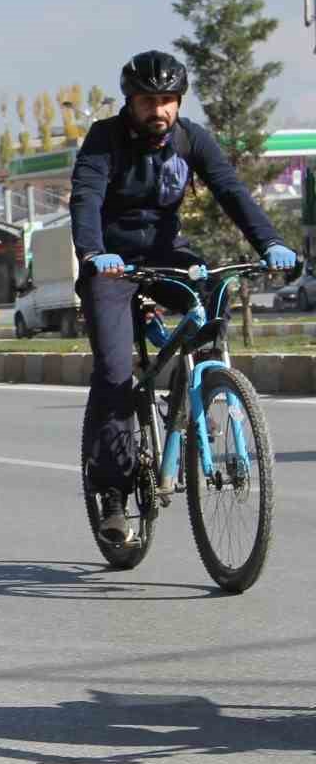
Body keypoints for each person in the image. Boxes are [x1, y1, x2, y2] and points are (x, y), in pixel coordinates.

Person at [71, 49, 295, 545]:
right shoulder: (104, 139)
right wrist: (93, 253)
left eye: (169, 100)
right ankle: (112, 492)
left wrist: (271, 242)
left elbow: (232, 190)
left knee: (214, 293)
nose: (160, 110)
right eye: (150, 100)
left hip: (169, 254)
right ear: (131, 101)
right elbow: (85, 197)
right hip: (112, 265)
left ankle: (204, 383)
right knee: (113, 372)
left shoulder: (192, 138)